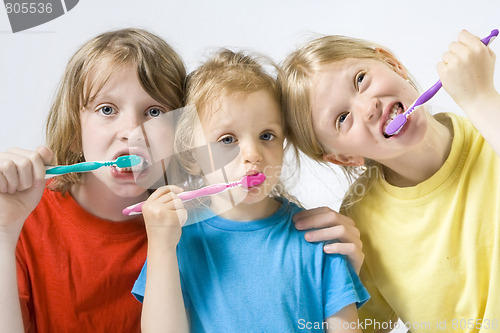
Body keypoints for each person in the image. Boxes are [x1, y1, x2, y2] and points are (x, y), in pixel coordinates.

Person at [131, 49, 370, 333]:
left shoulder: (318, 240)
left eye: (267, 136)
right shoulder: (177, 243)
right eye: (228, 139)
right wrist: (160, 247)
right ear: (191, 158)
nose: (253, 154)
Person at [279, 30, 500, 332]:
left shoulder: (490, 123)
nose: (368, 108)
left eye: (360, 80)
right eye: (342, 118)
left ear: (393, 64)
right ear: (345, 157)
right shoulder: (361, 222)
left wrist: (482, 99)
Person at [0, 28, 186, 333]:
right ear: (75, 129)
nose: (132, 132)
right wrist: (3, 231)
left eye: (154, 111)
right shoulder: (24, 216)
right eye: (107, 109)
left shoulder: (190, 224)